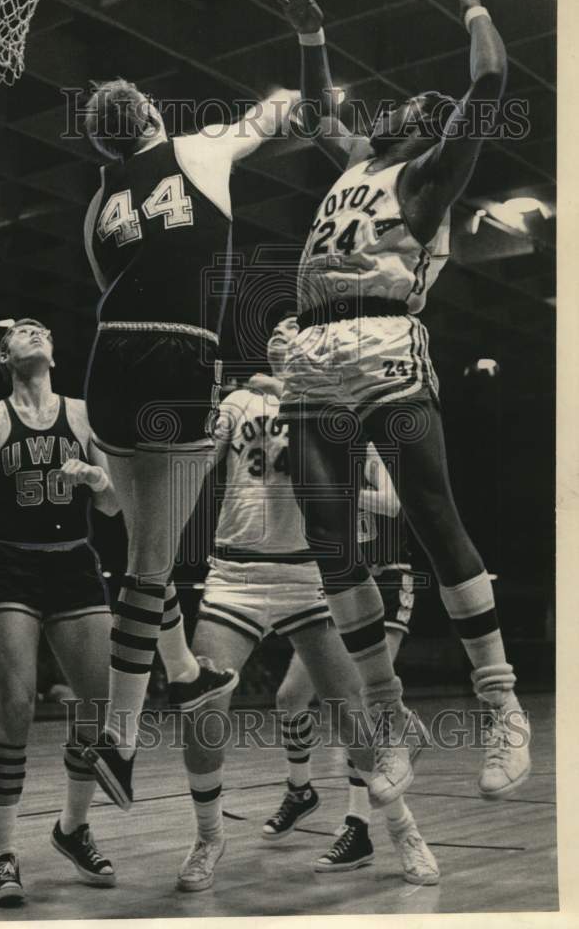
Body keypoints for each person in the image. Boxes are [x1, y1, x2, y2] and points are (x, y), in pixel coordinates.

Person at [269, 0, 530, 801]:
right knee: (328, 535)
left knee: (430, 511)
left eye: (413, 102)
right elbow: (317, 110)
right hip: (312, 350)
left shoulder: (425, 177)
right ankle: (387, 714)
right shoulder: (355, 159)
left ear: (425, 127)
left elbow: (487, 83)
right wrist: (313, 33)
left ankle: (500, 703)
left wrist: (475, 9)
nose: (393, 105)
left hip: (383, 343)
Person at [79, 78, 300, 809]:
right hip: (175, 356)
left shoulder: (95, 207)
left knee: (149, 545)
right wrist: (292, 85)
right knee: (150, 564)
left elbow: (109, 287)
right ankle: (119, 737)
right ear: (148, 113)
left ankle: (182, 674)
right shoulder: (197, 150)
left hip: (107, 360)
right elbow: (263, 120)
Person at [176, 320, 437, 892]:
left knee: (351, 710)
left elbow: (382, 496)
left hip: (306, 575)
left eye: (294, 327)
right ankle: (207, 837)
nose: (281, 333)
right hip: (236, 572)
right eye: (274, 329)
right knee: (204, 708)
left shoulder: (337, 412)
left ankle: (402, 828)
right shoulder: (240, 400)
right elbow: (197, 459)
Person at [0, 318, 121, 906]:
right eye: (23, 331)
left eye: (44, 329)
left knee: (97, 705)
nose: (37, 332)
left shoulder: (83, 413)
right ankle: (3, 855)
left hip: (73, 562)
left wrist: (99, 478)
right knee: (14, 707)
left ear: (55, 350)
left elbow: (114, 504)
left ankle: (72, 829)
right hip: (12, 564)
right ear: (5, 354)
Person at [265, 426, 425, 875]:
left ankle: (359, 827)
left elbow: (393, 503)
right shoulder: (306, 451)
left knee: (358, 703)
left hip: (387, 577)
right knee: (289, 698)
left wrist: (337, 494)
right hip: (338, 582)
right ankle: (300, 790)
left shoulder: (369, 444)